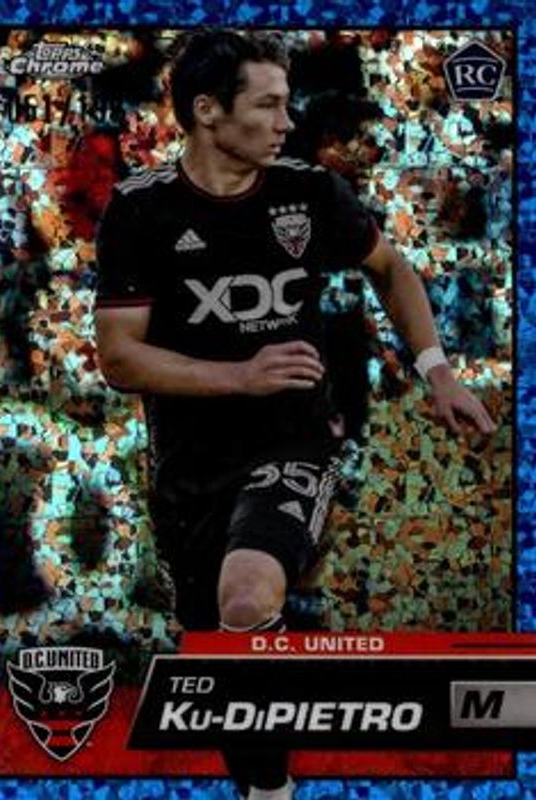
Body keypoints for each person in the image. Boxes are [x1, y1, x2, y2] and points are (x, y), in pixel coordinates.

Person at [94, 29, 496, 800]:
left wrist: (438, 372)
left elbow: (391, 267)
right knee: (219, 640)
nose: (286, 122)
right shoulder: (141, 210)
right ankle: (267, 783)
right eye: (268, 105)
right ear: (207, 111)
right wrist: (240, 375)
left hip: (293, 442)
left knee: (247, 595)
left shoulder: (309, 193)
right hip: (189, 469)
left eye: (288, 104)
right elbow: (119, 357)